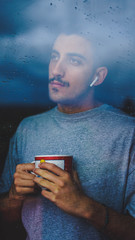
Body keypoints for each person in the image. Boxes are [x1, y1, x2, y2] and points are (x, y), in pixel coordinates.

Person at [0, 32, 135, 240]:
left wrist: (85, 207)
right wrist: (14, 196)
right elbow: (7, 222)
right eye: (55, 57)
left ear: (97, 76)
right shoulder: (28, 128)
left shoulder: (129, 133)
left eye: (74, 60)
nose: (57, 70)